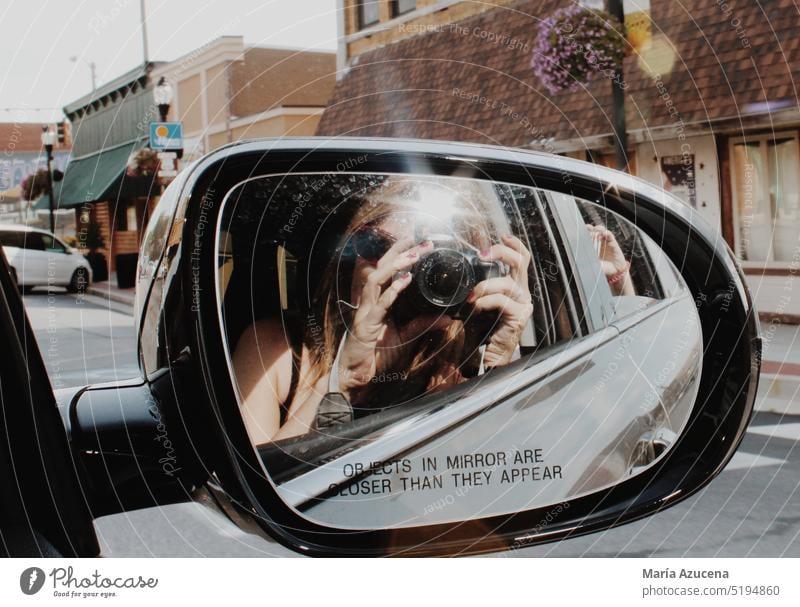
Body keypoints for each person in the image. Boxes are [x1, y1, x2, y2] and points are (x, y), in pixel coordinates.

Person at [232, 178, 534, 443]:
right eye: (378, 246)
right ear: (349, 257)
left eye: (436, 266)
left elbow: (494, 474)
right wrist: (342, 380)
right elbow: (250, 490)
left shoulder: (460, 369)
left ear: (474, 273)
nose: (399, 272)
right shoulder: (277, 350)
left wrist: (497, 364)